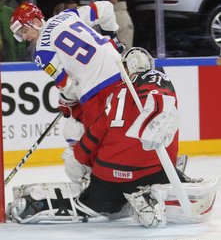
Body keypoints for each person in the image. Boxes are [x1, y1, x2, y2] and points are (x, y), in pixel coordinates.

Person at [6, 47, 218, 227]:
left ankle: (40, 205)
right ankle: (145, 196)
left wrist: (80, 157)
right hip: (149, 170)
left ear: (126, 68)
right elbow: (159, 102)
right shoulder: (157, 79)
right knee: (176, 174)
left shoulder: (115, 93)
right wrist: (152, 124)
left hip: (108, 175)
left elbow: (96, 132)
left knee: (92, 206)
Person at [10, 1, 125, 129]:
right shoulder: (67, 14)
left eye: (25, 30)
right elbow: (106, 8)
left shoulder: (42, 53)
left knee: (96, 138)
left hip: (97, 88)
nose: (25, 37)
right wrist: (113, 38)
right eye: (20, 34)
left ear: (36, 22)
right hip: (120, 70)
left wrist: (65, 101)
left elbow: (69, 87)